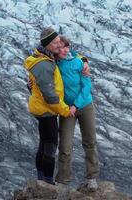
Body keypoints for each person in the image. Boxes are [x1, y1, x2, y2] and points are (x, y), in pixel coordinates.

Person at [24, 27, 75, 185]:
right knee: (51, 144)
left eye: (58, 41)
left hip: (41, 107)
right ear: (46, 44)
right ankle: (47, 182)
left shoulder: (45, 58)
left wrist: (84, 61)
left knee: (44, 142)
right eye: (54, 42)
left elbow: (37, 87)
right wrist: (66, 111)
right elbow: (49, 95)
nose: (58, 45)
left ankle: (41, 180)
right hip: (47, 110)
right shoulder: (44, 65)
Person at [54, 36, 100, 191]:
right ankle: (62, 180)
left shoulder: (78, 61)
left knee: (90, 141)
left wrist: (76, 105)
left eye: (66, 47)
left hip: (85, 105)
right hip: (67, 109)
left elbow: (86, 85)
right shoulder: (53, 63)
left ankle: (91, 178)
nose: (64, 50)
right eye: (60, 47)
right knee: (65, 145)